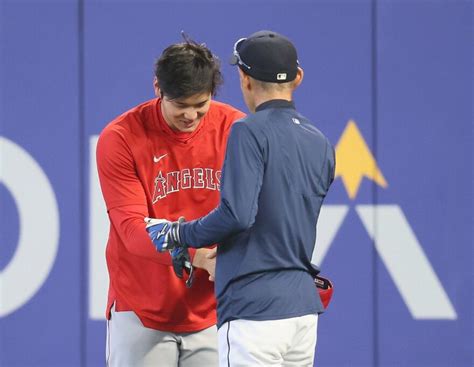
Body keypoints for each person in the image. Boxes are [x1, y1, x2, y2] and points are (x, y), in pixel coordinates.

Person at [146, 30, 336, 366]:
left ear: (244, 79)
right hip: (302, 311)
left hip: (254, 310)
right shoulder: (319, 141)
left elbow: (237, 215)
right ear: (298, 78)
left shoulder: (248, 130)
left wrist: (178, 234)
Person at [96, 35, 244, 367]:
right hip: (141, 308)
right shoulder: (120, 138)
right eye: (181, 105)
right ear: (157, 89)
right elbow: (132, 232)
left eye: (200, 105)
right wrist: (198, 256)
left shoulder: (235, 129)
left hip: (213, 310)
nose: (191, 115)